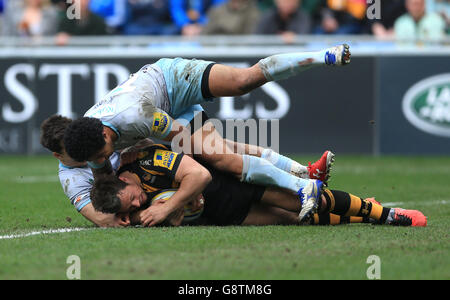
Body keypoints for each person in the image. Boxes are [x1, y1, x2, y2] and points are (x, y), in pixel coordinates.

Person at [63, 44, 351, 224]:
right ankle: (303, 176)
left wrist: (183, 196)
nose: (103, 160)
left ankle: (322, 55)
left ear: (103, 133)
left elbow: (181, 142)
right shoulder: (91, 141)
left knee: (242, 83)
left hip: (172, 80)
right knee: (224, 154)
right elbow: (105, 186)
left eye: (103, 154)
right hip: (160, 112)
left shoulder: (135, 115)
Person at [41, 115, 333, 227]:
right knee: (287, 217)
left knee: (218, 147)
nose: (88, 154)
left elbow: (150, 147)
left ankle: (303, 173)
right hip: (178, 200)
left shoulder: (93, 136)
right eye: (75, 152)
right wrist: (161, 205)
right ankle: (341, 205)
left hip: (180, 172)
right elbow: (106, 220)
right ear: (58, 155)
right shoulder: (72, 180)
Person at [90, 144, 428, 227]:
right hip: (225, 216)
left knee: (312, 203)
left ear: (124, 180)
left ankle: (384, 214)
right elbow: (146, 215)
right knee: (294, 220)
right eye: (129, 209)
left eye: (132, 199)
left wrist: (174, 204)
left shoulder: (148, 160)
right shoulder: (130, 207)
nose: (137, 204)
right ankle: (358, 212)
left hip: (233, 187)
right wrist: (135, 217)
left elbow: (199, 177)